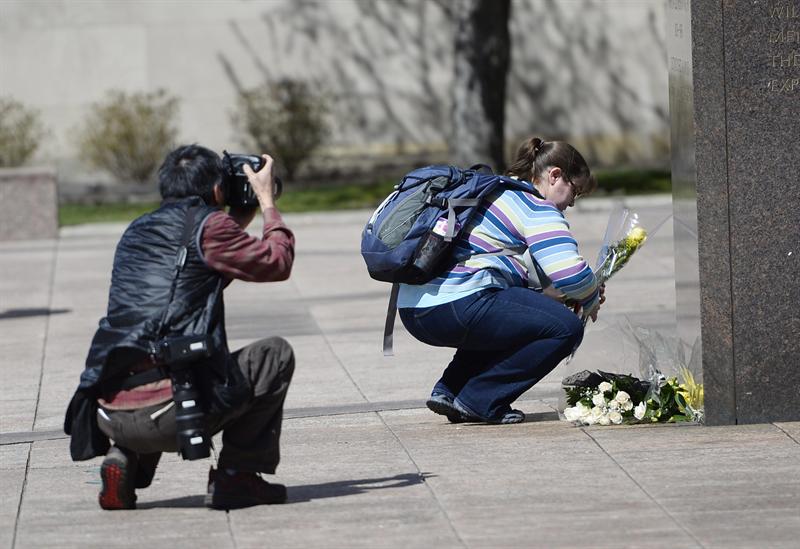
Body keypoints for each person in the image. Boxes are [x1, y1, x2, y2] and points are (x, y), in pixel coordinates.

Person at [63, 145, 296, 510]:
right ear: (218, 190)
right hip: (174, 412)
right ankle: (237, 477)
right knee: (274, 354)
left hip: (108, 411)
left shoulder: (137, 231)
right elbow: (276, 262)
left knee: (147, 352)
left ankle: (124, 456)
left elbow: (193, 276)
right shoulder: (211, 227)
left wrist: (239, 219)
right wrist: (267, 203)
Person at [398, 137, 605, 424]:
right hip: (458, 303)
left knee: (513, 312)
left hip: (414, 308)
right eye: (575, 190)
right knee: (565, 328)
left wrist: (555, 295)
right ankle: (480, 400)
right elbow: (568, 273)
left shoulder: (496, 189)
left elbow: (519, 279)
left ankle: (450, 390)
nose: (572, 202)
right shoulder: (535, 206)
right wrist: (590, 295)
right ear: (554, 175)